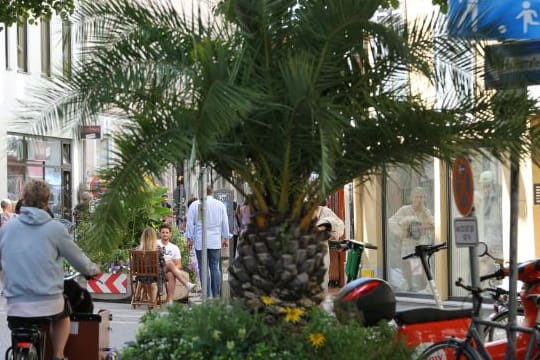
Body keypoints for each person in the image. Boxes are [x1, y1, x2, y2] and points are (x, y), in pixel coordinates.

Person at [0, 179, 100, 360]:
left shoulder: (7, 229)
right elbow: (78, 258)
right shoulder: (55, 228)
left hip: (16, 302)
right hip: (48, 301)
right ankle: (58, 355)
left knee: (17, 327)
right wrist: (92, 270)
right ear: (47, 202)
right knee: (63, 316)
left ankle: (17, 353)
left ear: (23, 199)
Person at [186, 185, 230, 298]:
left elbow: (190, 224)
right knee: (215, 267)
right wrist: (225, 237)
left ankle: (205, 294)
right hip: (215, 240)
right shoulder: (220, 205)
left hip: (200, 240)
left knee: (203, 267)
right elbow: (225, 222)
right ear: (212, 192)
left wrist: (189, 239)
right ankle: (216, 294)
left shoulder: (194, 205)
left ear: (200, 192)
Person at [388, 187, 434, 292]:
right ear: (412, 198)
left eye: (421, 197)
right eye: (417, 197)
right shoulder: (405, 210)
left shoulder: (426, 212)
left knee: (418, 267)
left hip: (420, 244)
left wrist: (420, 226)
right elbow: (391, 222)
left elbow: (433, 225)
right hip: (407, 244)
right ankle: (410, 285)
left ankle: (420, 287)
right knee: (406, 265)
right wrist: (402, 233)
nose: (419, 199)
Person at [157, 223, 195, 304]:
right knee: (170, 262)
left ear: (170, 234)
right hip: (156, 269)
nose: (165, 234)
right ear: (160, 233)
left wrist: (172, 269)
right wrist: (170, 265)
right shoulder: (155, 243)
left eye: (167, 233)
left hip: (165, 271)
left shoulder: (174, 247)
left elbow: (179, 265)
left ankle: (170, 300)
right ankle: (186, 283)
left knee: (171, 274)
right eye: (163, 232)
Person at [313, 201, 345, 296]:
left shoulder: (325, 211)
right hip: (303, 253)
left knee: (321, 281)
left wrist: (330, 228)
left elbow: (340, 225)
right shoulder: (299, 212)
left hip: (322, 252)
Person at [133, 227, 166, 305]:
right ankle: (153, 303)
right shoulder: (157, 248)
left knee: (147, 280)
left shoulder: (138, 249)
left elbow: (135, 264)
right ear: (153, 237)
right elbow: (162, 262)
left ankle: (149, 300)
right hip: (154, 276)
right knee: (154, 282)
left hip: (142, 276)